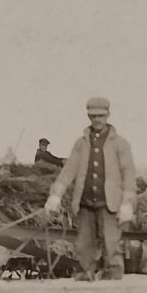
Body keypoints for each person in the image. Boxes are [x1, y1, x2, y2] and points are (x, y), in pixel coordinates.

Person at [45, 97, 137, 280]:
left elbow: (129, 174)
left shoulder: (120, 144)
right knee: (83, 247)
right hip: (85, 204)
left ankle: (113, 284)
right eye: (93, 116)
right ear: (88, 116)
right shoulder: (80, 144)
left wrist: (127, 203)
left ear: (108, 115)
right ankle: (85, 280)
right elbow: (68, 170)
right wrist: (55, 195)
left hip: (110, 205)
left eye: (101, 116)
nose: (97, 120)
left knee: (112, 247)